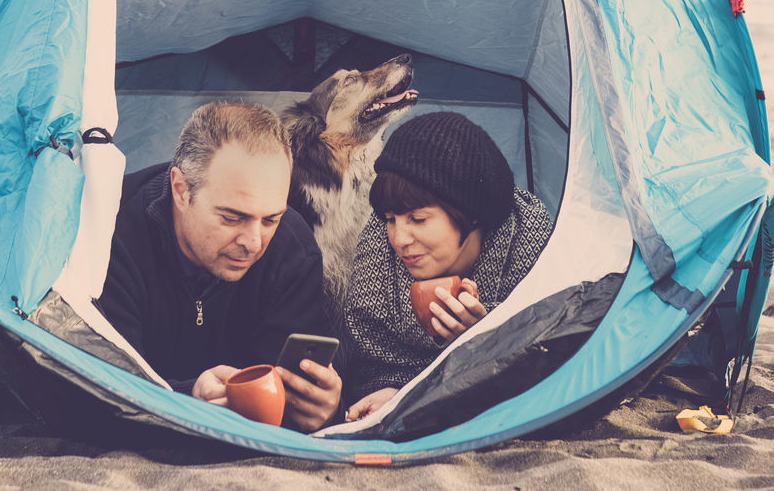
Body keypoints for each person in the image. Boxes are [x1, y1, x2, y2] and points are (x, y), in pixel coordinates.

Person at [92, 101, 342, 431]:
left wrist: (324, 409)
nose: (253, 242)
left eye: (270, 219)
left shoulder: (292, 245)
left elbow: (290, 392)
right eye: (232, 217)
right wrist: (186, 400)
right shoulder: (107, 231)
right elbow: (90, 391)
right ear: (181, 190)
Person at [341, 111, 553, 422]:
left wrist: (490, 339)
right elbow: (372, 360)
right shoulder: (377, 242)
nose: (399, 238)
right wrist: (396, 391)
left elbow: (557, 348)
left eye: (419, 219)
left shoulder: (526, 236)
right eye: (390, 219)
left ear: (471, 213)